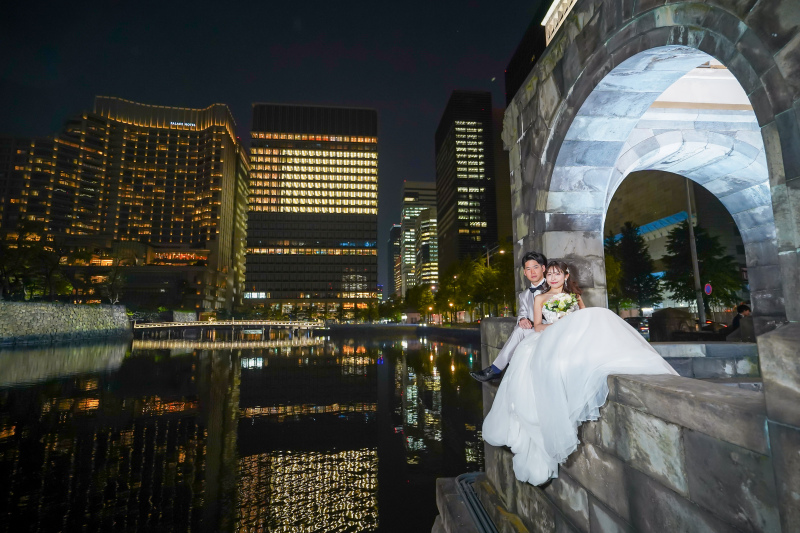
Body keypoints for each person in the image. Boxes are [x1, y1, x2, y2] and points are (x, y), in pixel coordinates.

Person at [482, 260, 677, 486]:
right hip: (548, 338)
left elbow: (586, 321)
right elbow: (537, 326)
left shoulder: (574, 297)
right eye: (550, 274)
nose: (553, 278)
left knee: (599, 318)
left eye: (558, 274)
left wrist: (571, 325)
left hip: (572, 340)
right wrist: (559, 326)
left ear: (566, 276)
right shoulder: (540, 298)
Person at [470, 251, 548, 382]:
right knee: (520, 329)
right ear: (524, 272)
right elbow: (522, 313)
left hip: (551, 330)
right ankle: (496, 370)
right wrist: (522, 319)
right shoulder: (524, 295)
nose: (532, 272)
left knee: (519, 331)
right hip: (534, 331)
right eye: (528, 269)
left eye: (535, 267)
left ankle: (495, 370)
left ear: (543, 268)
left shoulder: (554, 286)